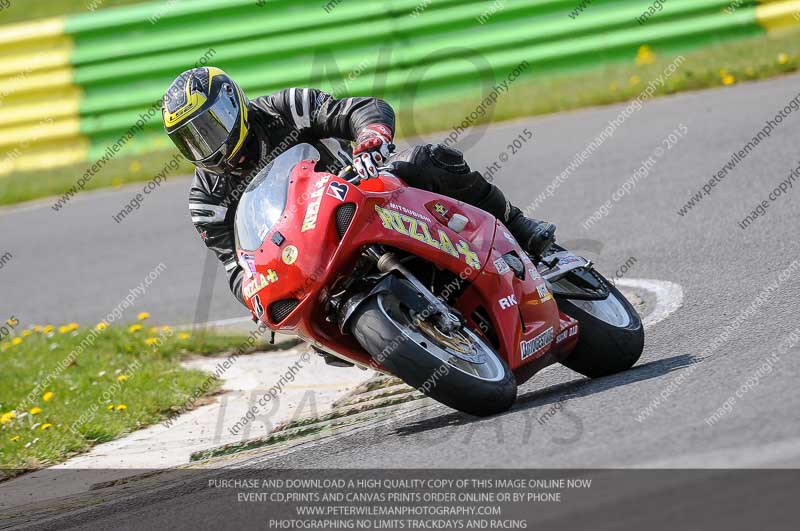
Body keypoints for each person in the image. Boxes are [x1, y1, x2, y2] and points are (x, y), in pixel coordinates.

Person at [163, 67, 556, 308]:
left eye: (209, 128)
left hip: (363, 193)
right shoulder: (206, 202)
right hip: (306, 255)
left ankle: (520, 227)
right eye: (191, 140)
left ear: (233, 105)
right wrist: (253, 295)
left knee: (429, 161)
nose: (205, 145)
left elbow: (355, 109)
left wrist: (371, 135)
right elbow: (236, 268)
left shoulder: (285, 108)